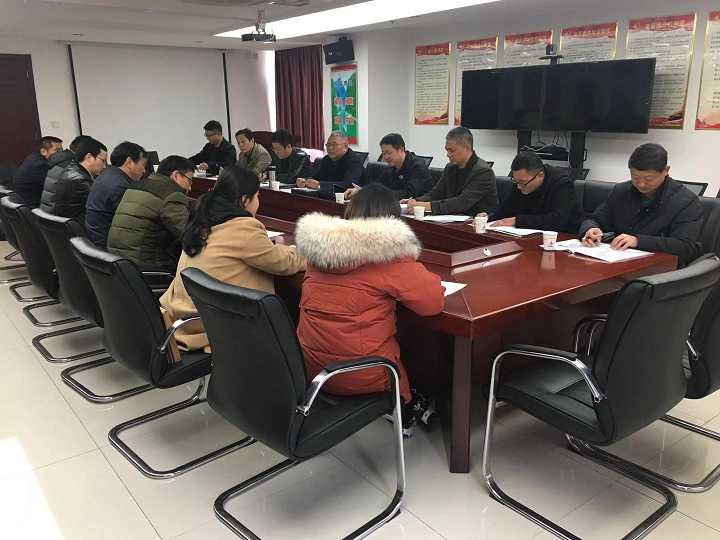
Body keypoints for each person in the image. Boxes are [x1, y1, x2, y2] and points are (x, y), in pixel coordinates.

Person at [295, 183, 445, 436]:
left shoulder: (319, 251)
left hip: (312, 369)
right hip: (365, 375)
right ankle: (406, 407)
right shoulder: (388, 256)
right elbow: (433, 303)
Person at [160, 166, 306, 352]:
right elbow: (284, 263)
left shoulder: (203, 218)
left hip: (186, 316)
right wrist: (305, 252)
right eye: (257, 196)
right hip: (216, 325)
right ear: (244, 200)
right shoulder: (243, 228)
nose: (258, 202)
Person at [580, 143, 704, 265]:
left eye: (648, 179)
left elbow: (686, 246)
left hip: (661, 268)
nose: (641, 184)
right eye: (635, 177)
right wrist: (590, 229)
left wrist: (638, 241)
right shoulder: (621, 191)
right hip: (617, 260)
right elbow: (594, 219)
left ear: (666, 170)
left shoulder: (686, 201)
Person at [107, 155, 193, 273]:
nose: (190, 188)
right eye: (189, 180)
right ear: (176, 175)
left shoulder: (136, 186)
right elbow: (188, 234)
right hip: (146, 268)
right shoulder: (172, 195)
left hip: (117, 261)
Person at [405, 127, 497, 216]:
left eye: (451, 150)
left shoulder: (483, 172)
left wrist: (425, 206)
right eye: (447, 150)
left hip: (476, 221)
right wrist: (416, 201)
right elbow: (436, 193)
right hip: (451, 218)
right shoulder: (450, 168)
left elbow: (462, 202)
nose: (448, 155)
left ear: (466, 148)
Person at [494, 151, 581, 232]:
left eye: (522, 182)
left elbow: (558, 220)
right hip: (528, 234)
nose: (518, 187)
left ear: (540, 175)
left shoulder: (562, 184)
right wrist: (489, 216)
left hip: (563, 236)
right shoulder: (521, 182)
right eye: (516, 181)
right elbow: (507, 208)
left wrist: (517, 220)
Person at [85, 141, 147, 248]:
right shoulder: (120, 186)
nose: (144, 170)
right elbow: (133, 224)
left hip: (95, 240)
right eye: (143, 165)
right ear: (129, 162)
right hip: (107, 246)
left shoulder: (107, 175)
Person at [344, 133, 433, 201]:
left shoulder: (418, 167)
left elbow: (407, 193)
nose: (385, 157)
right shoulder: (392, 167)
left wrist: (376, 194)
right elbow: (378, 185)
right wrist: (361, 191)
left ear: (401, 150)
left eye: (389, 153)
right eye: (383, 153)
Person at [40, 137, 107, 221]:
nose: (104, 166)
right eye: (103, 161)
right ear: (89, 157)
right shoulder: (79, 180)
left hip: (55, 220)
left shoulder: (71, 168)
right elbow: (101, 206)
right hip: (74, 224)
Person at [296, 132, 364, 190]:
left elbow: (348, 184)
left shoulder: (354, 161)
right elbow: (317, 178)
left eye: (334, 145)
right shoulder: (327, 159)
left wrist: (320, 184)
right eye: (328, 145)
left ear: (345, 146)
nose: (330, 148)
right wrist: (305, 181)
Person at [13, 136, 63, 208]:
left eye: (62, 150)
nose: (61, 153)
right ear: (43, 151)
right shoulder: (40, 164)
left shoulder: (34, 157)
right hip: (33, 206)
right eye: (57, 150)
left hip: (27, 201)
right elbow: (58, 184)